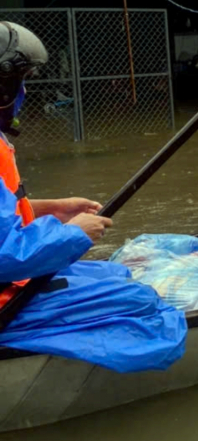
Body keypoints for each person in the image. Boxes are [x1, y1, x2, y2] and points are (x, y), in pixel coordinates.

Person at [0, 21, 187, 373]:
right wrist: (75, 232)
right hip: (7, 300)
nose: (24, 92)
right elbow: (4, 254)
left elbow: (5, 214)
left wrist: (54, 210)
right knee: (143, 303)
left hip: (12, 283)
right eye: (19, 82)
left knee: (115, 274)